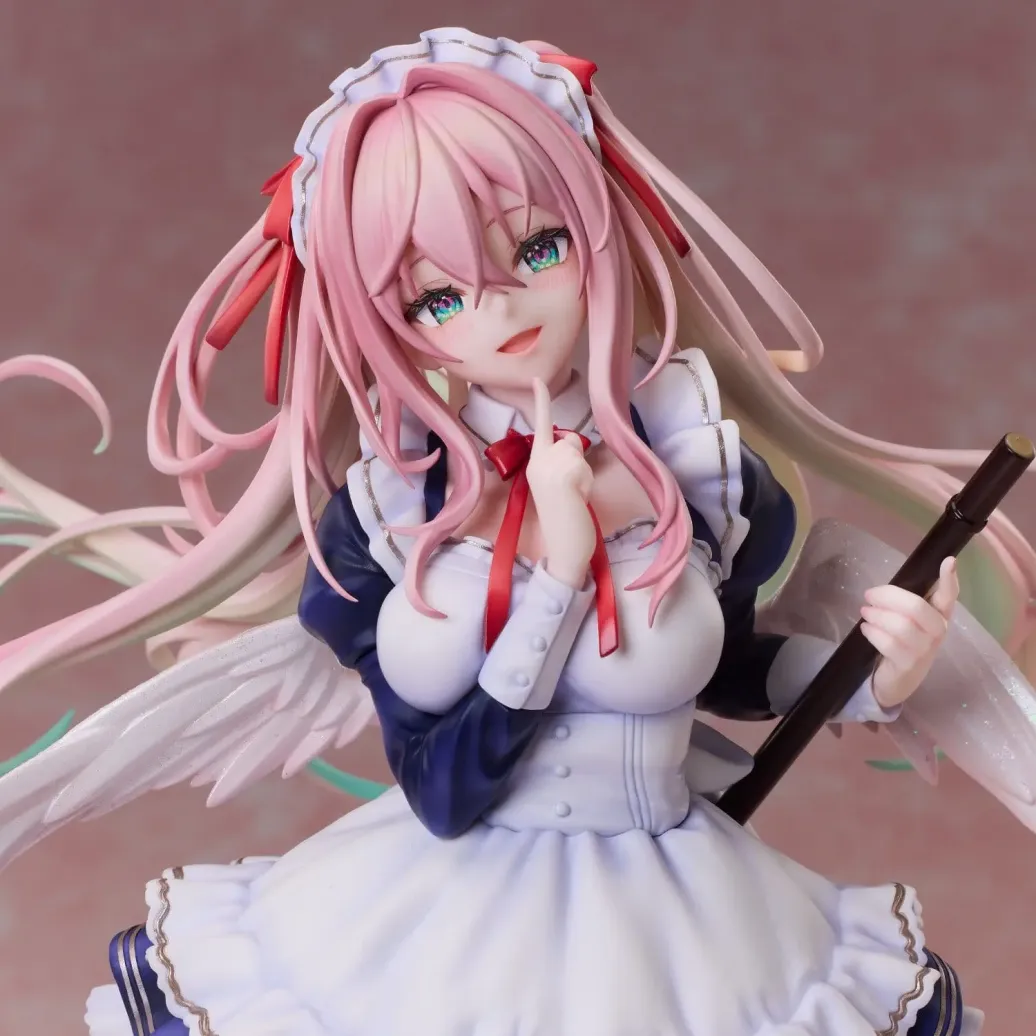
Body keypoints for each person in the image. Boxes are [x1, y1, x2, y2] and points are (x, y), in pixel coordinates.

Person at [1, 27, 1031, 1035]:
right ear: (381, 319)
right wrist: (560, 572)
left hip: (673, 921)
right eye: (437, 296)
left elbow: (729, 668)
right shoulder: (392, 513)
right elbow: (444, 789)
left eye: (538, 247)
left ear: (599, 230)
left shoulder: (701, 472)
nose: (498, 311)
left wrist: (873, 674)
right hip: (447, 922)